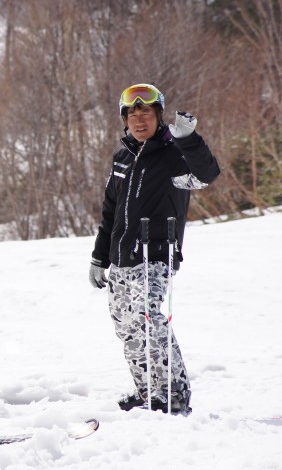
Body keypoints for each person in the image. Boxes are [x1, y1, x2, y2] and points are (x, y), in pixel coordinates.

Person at [88, 83, 220, 415]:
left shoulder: (175, 154)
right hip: (120, 259)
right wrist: (99, 258)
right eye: (132, 114)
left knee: (149, 319)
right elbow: (110, 212)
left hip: (155, 254)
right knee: (127, 326)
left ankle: (174, 392)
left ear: (158, 116)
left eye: (145, 112)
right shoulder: (123, 157)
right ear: (124, 120)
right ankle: (148, 390)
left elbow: (206, 175)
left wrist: (189, 139)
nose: (139, 119)